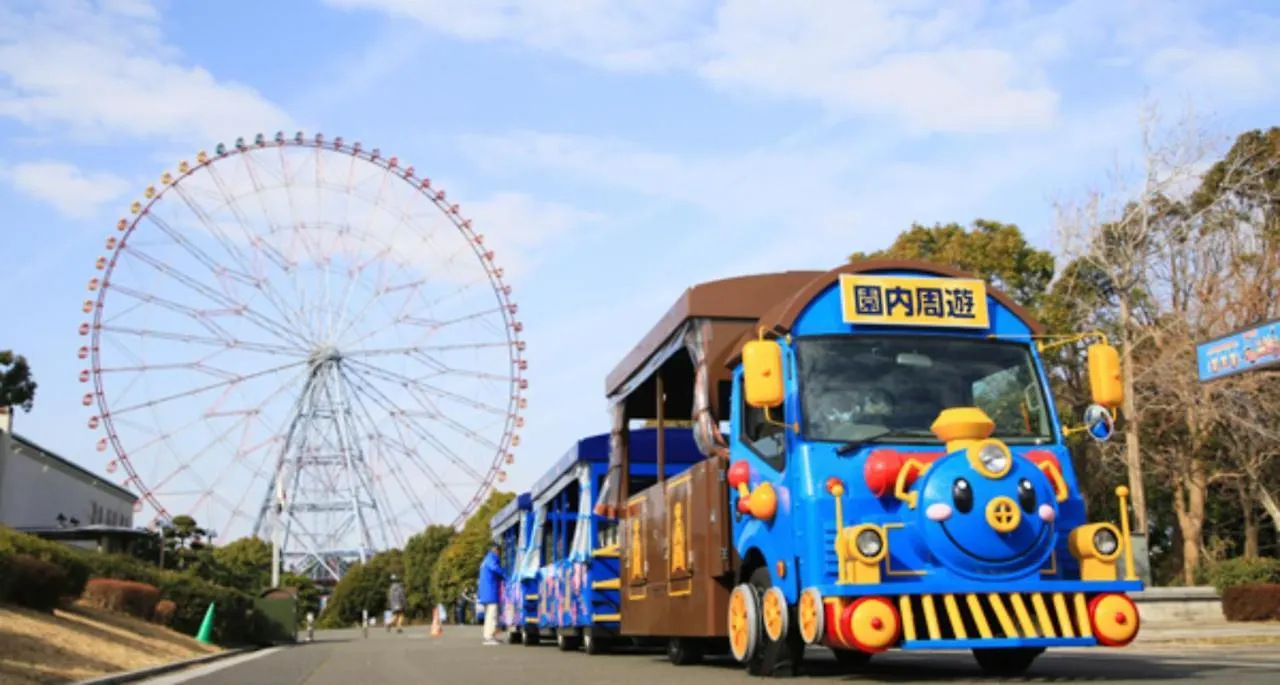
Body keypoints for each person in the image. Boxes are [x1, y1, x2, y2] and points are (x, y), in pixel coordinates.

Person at [476, 542, 504, 645]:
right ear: (495, 550)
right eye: (499, 551)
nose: (499, 554)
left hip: (485, 592)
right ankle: (489, 637)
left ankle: (489, 636)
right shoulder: (491, 559)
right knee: (492, 615)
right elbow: (496, 569)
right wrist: (505, 575)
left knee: (489, 615)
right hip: (490, 591)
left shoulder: (486, 560)